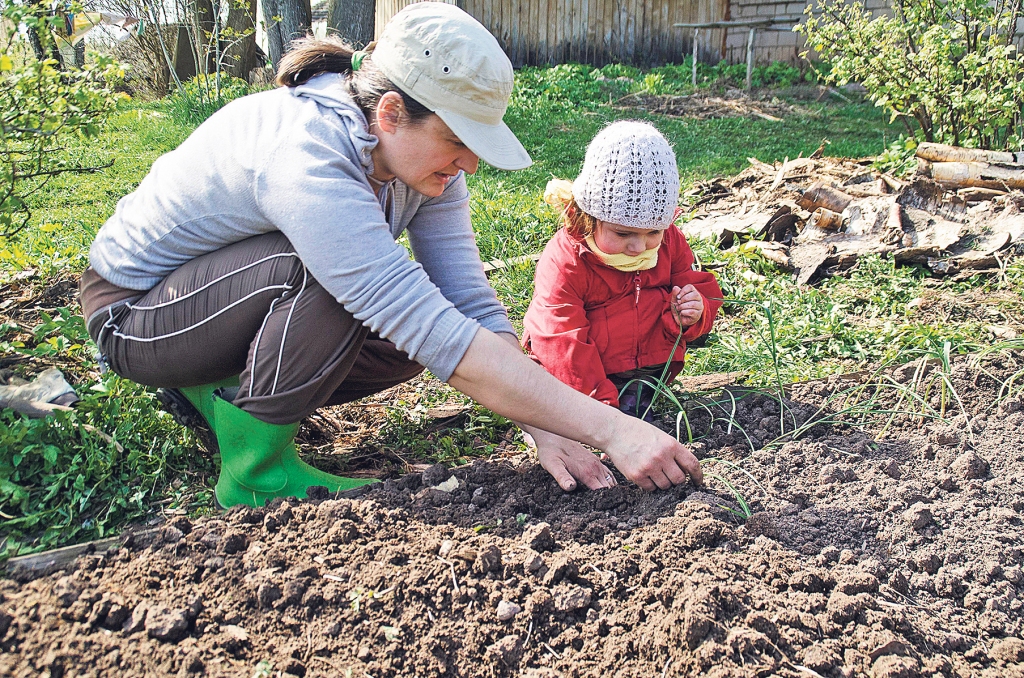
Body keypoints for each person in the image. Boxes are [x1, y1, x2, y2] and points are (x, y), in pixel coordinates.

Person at [78, 2, 703, 509]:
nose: (469, 164)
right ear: (391, 112)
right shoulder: (307, 151)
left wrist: (548, 427)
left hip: (221, 301)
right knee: (330, 279)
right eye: (458, 141)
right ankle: (254, 474)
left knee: (416, 333)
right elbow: (422, 320)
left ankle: (221, 391)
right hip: (138, 317)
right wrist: (613, 428)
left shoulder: (424, 170)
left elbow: (467, 303)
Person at [523, 121, 722, 422]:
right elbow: (561, 335)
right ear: (588, 216)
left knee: (637, 411)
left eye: (653, 231)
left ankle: (632, 396)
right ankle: (568, 409)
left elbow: (699, 288)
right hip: (578, 373)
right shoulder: (568, 258)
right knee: (565, 406)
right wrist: (601, 408)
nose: (639, 246)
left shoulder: (670, 242)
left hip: (644, 369)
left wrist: (697, 311)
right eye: (623, 233)